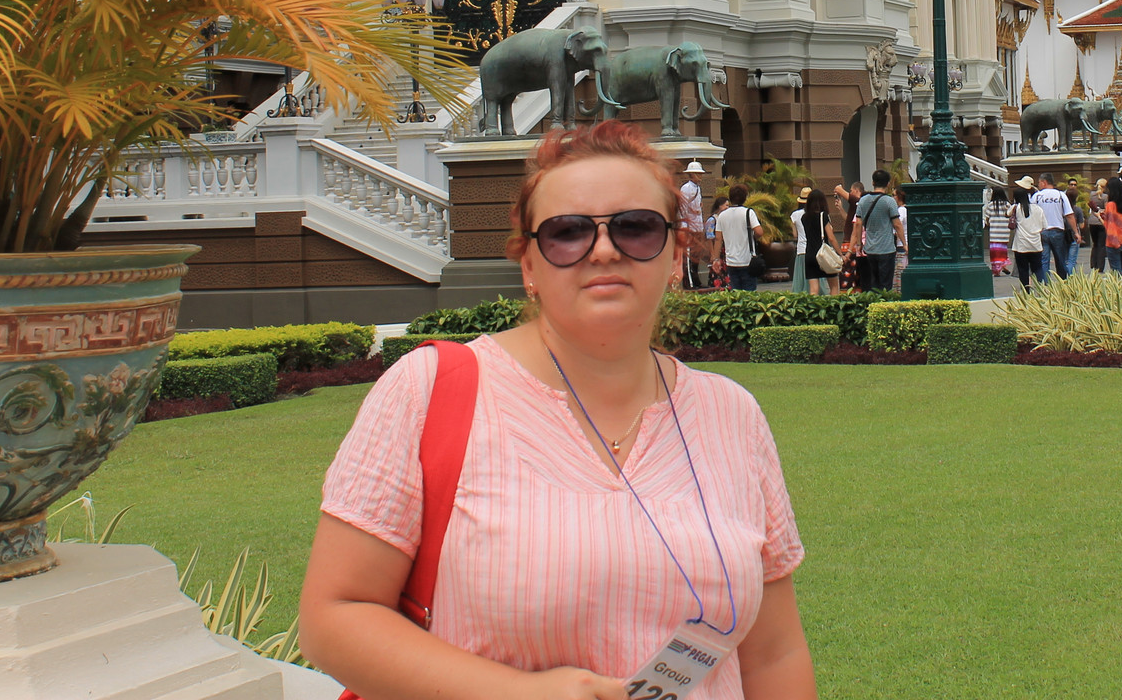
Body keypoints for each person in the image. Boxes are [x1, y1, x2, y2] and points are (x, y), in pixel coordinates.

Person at [300, 121, 815, 700]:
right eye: (567, 233)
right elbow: (335, 616)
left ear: (675, 256)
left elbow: (773, 654)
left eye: (636, 228)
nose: (603, 250)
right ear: (529, 266)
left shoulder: (732, 414)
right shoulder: (431, 391)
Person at [848, 169, 904, 292]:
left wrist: (859, 244)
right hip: (887, 249)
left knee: (873, 283)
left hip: (870, 249)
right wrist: (905, 243)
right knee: (885, 285)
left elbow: (858, 223)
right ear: (888, 184)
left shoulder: (863, 200)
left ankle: (874, 302)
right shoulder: (889, 201)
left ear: (873, 182)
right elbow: (897, 224)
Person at [713, 183, 766, 291]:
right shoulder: (748, 213)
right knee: (749, 293)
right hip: (747, 260)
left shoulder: (722, 215)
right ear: (745, 197)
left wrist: (716, 259)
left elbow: (718, 239)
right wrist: (752, 237)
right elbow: (759, 232)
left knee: (735, 292)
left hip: (731, 261)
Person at [1032, 173, 1077, 279]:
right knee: (1060, 260)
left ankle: (1045, 284)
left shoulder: (1037, 196)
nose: (1038, 185)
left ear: (1044, 182)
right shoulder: (1061, 195)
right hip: (1058, 230)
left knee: (1044, 260)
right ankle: (1063, 282)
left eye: (1039, 182)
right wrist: (1076, 232)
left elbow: (1031, 214)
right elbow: (1069, 215)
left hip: (1042, 232)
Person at [800, 188, 840, 295]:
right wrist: (840, 253)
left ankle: (813, 305)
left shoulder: (804, 218)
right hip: (824, 255)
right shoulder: (823, 216)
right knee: (834, 286)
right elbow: (831, 237)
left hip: (810, 255)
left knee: (813, 289)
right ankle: (833, 305)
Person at [1008, 181, 1048, 286]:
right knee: (1038, 268)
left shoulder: (1016, 208)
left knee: (1023, 270)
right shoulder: (1038, 209)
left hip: (1021, 244)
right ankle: (1042, 288)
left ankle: (1026, 290)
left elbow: (1007, 213)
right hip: (1035, 244)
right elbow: (1044, 226)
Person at [679, 161, 708, 289]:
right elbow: (683, 209)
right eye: (697, 174)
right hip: (689, 227)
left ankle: (696, 280)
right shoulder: (686, 188)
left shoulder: (697, 188)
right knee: (689, 256)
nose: (700, 176)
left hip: (697, 226)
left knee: (697, 255)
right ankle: (689, 282)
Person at [788, 187, 811, 294]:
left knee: (800, 282)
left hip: (801, 249)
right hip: (814, 250)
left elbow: (795, 234)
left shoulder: (795, 215)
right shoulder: (818, 213)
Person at [986, 185, 1012, 277]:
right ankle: (1003, 266)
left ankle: (996, 270)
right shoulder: (1007, 205)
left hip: (994, 232)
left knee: (995, 252)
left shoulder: (990, 205)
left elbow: (987, 218)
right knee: (1002, 251)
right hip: (1004, 232)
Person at [1087, 179, 1109, 271]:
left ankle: (1093, 264)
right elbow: (1107, 209)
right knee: (1101, 245)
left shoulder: (1092, 195)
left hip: (1092, 221)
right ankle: (1100, 265)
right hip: (1101, 221)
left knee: (1095, 243)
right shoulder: (1105, 197)